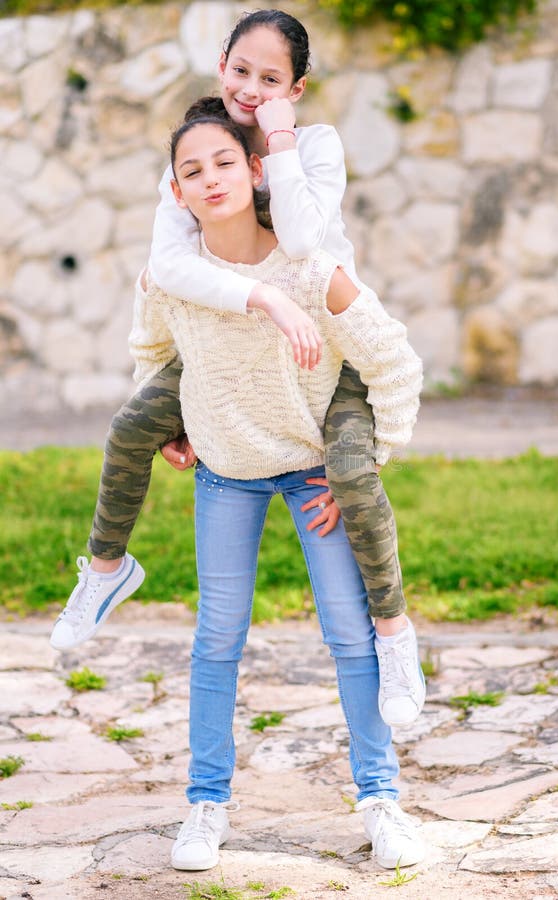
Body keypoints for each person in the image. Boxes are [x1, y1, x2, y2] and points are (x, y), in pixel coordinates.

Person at [50, 9, 425, 730]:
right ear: (220, 62)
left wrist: (278, 141)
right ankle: (105, 568)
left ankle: (394, 634)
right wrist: (247, 308)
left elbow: (303, 236)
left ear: (298, 87)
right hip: (222, 344)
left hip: (323, 349)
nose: (251, 88)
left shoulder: (311, 144)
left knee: (350, 473)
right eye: (241, 70)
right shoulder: (196, 153)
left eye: (271, 78)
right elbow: (166, 268)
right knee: (131, 425)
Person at [136, 110, 424, 872]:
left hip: (308, 474)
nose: (210, 179)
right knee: (216, 639)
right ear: (176, 192)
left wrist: (369, 460)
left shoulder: (307, 267)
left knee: (347, 631)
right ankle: (205, 806)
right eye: (192, 171)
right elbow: (151, 351)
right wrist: (172, 421)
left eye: (223, 162)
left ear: (255, 170)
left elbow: (394, 362)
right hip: (224, 474)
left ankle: (380, 799)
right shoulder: (171, 276)